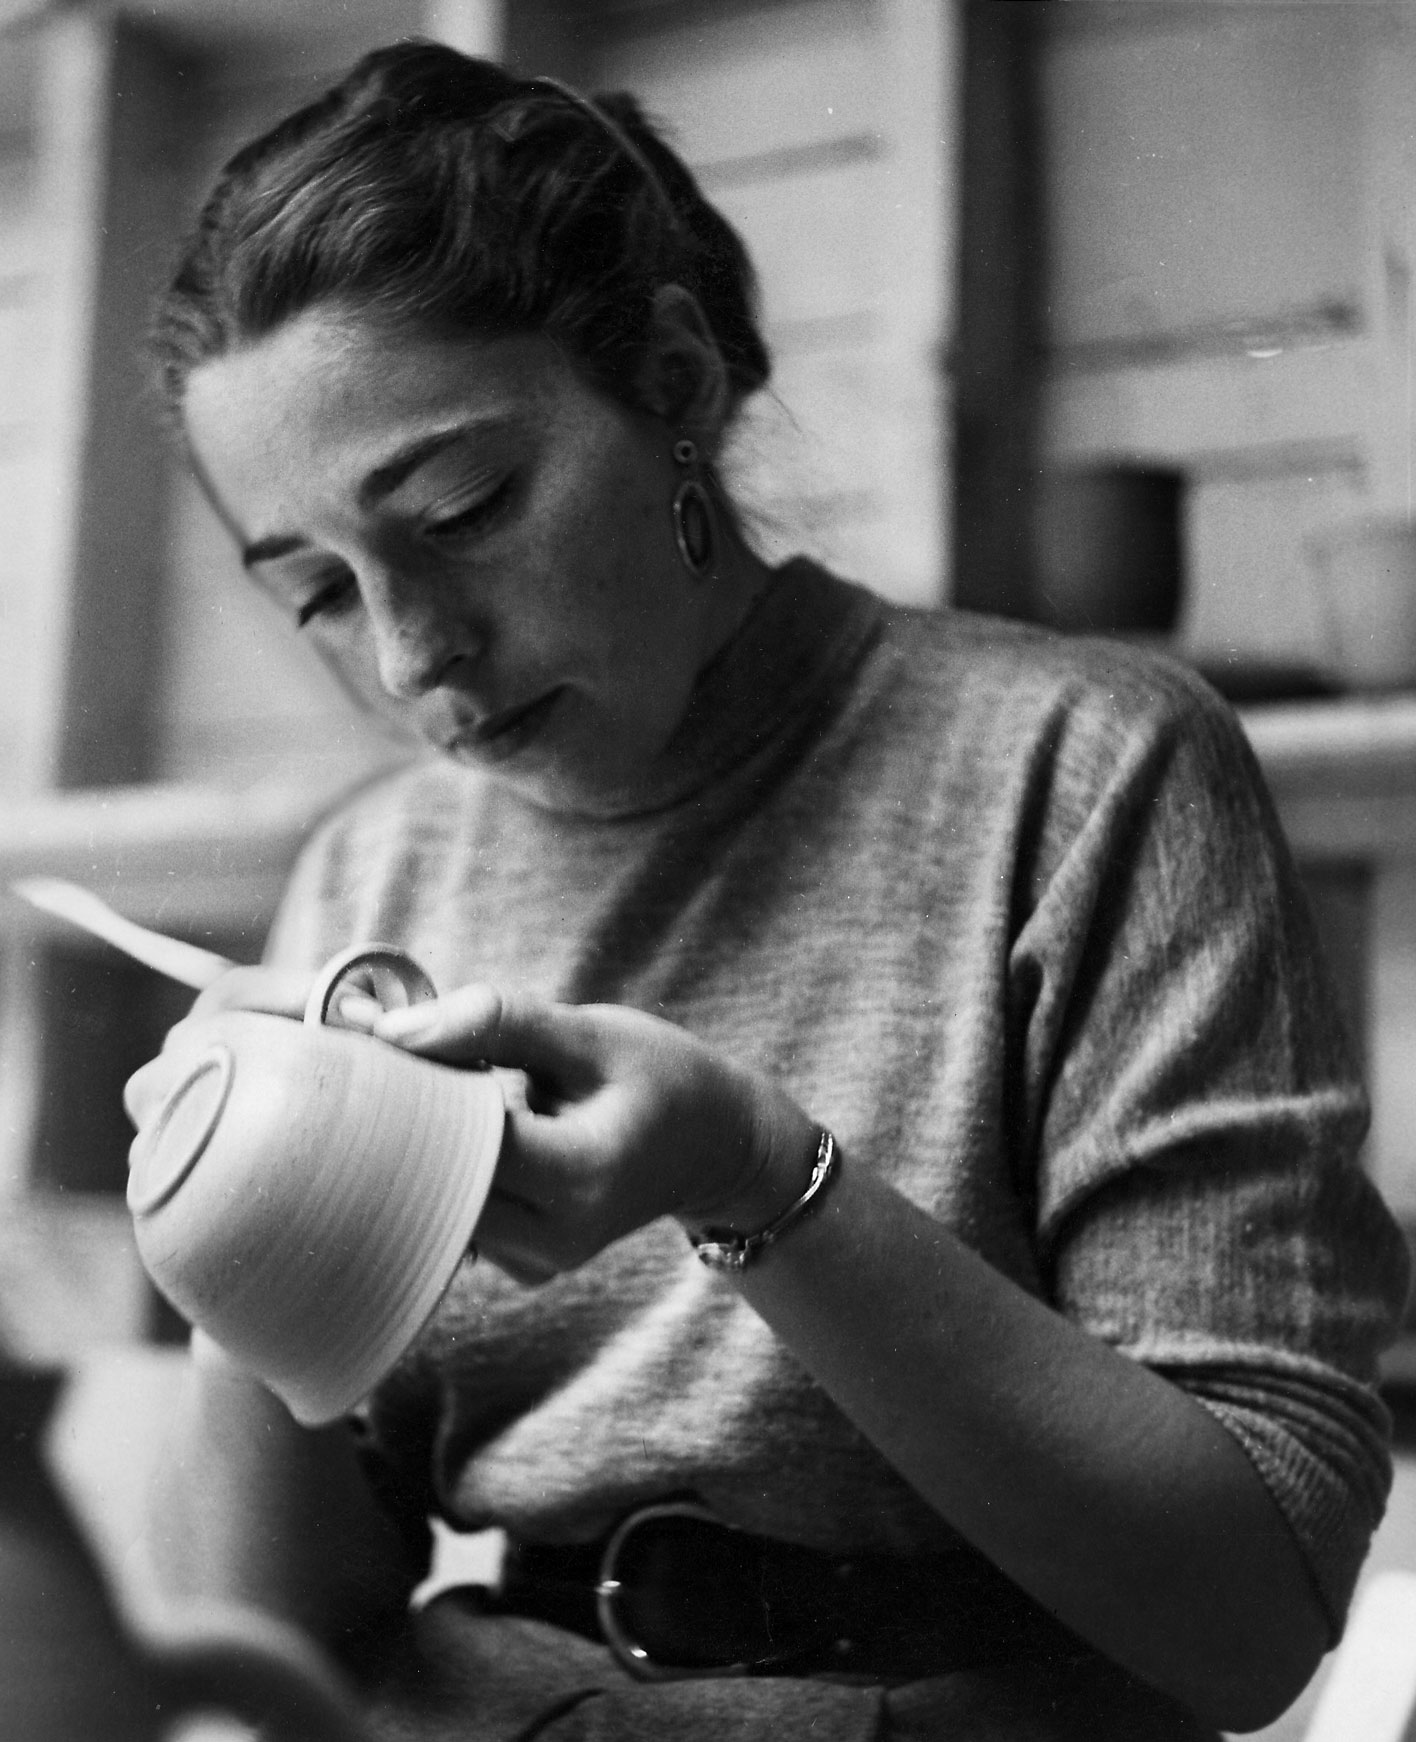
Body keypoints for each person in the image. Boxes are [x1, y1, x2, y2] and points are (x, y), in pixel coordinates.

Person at [125, 40, 1411, 1742]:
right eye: (316, 593)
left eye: (463, 507)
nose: (412, 655)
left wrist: (759, 1179)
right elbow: (275, 1645)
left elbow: (1252, 1618)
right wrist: (233, 1247)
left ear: (670, 379)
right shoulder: (378, 869)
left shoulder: (1089, 771)